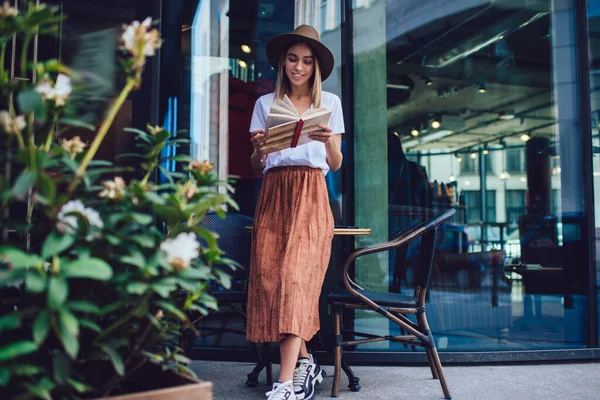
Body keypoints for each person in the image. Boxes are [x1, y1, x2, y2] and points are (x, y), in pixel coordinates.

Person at [246, 25, 344, 400]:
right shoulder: (265, 104)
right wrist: (260, 148)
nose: (298, 67)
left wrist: (328, 142)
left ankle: (285, 383)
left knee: (293, 281)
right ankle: (307, 363)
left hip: (311, 194)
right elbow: (258, 164)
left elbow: (335, 164)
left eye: (306, 61)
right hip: (274, 195)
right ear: (282, 62)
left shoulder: (329, 103)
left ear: (315, 65)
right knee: (272, 282)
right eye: (292, 59)